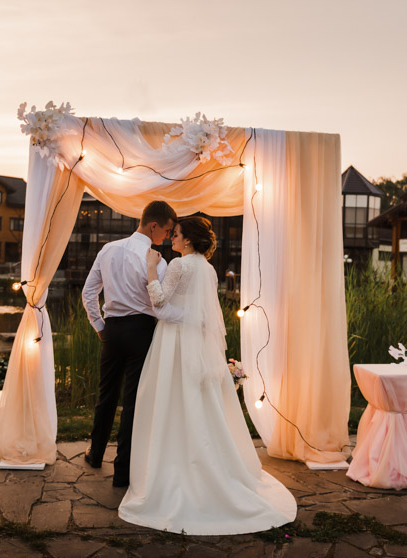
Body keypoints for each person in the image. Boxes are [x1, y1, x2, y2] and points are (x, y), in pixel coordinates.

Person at [118, 216, 297, 535]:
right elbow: (204, 314)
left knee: (171, 401)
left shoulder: (179, 265)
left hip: (174, 343)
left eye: (176, 235)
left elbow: (158, 304)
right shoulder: (208, 268)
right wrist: (191, 319)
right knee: (200, 403)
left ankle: (173, 469)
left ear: (187, 240)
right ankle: (210, 463)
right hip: (199, 344)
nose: (172, 238)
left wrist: (150, 267)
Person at [81, 201, 179, 488]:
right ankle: (122, 471)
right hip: (142, 331)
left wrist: (100, 326)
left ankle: (96, 454)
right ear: (154, 226)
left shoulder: (108, 249)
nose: (167, 236)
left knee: (106, 395)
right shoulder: (156, 261)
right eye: (167, 230)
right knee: (133, 401)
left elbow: (89, 293)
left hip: (112, 329)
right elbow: (158, 299)